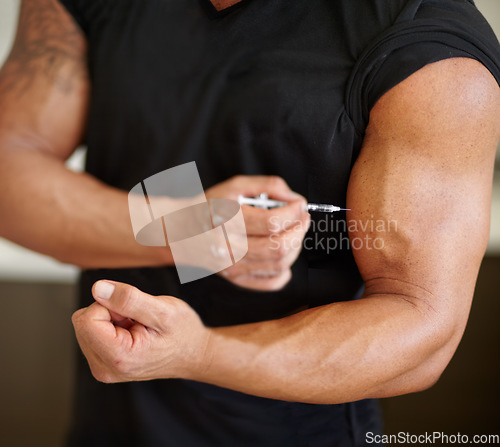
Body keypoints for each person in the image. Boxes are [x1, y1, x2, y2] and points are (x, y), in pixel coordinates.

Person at [0, 0, 499, 445]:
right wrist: (189, 228)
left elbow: (421, 323)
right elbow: (9, 170)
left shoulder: (428, 43)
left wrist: (198, 354)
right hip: (110, 421)